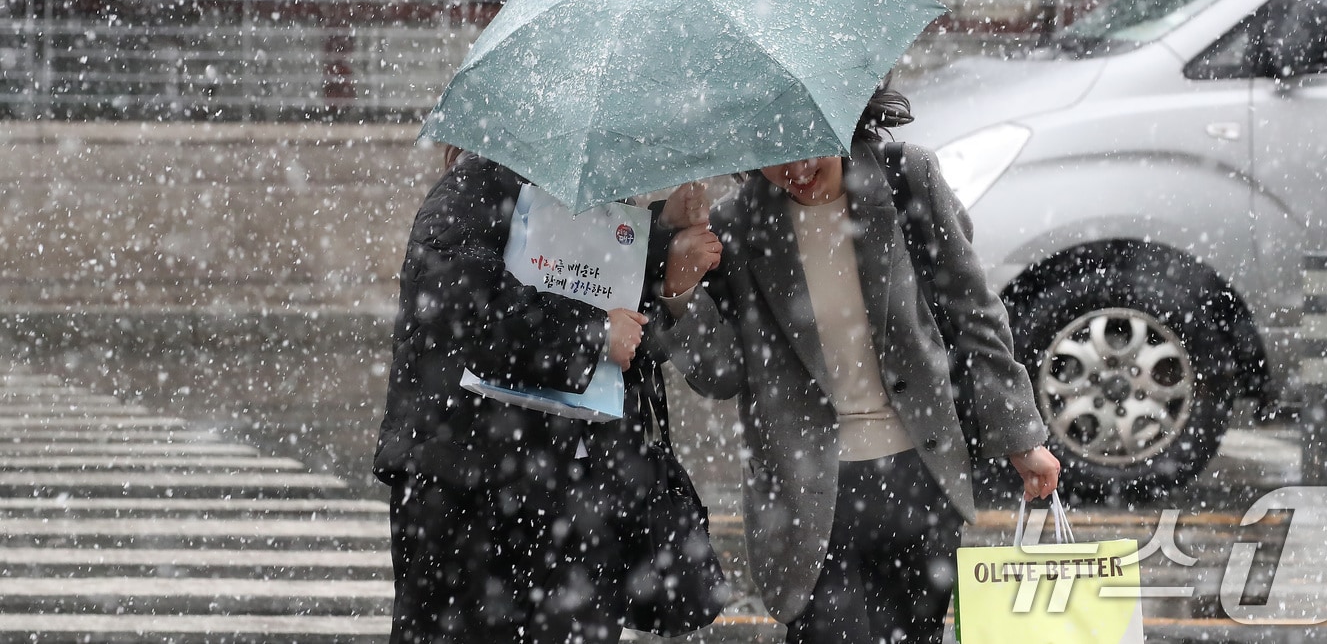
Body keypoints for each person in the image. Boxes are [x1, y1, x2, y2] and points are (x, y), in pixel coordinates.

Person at [658, 84, 1061, 644]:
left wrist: (1020, 435)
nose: (797, 168)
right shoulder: (738, 226)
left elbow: (974, 313)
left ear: (840, 118)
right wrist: (680, 292)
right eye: (776, 154)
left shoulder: (906, 178)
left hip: (918, 474)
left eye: (809, 146)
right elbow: (719, 375)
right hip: (804, 492)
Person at [372, 145, 691, 644]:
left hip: (576, 499)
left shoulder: (598, 200)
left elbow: (627, 350)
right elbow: (464, 312)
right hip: (470, 496)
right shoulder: (474, 186)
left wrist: (667, 256)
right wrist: (591, 334)